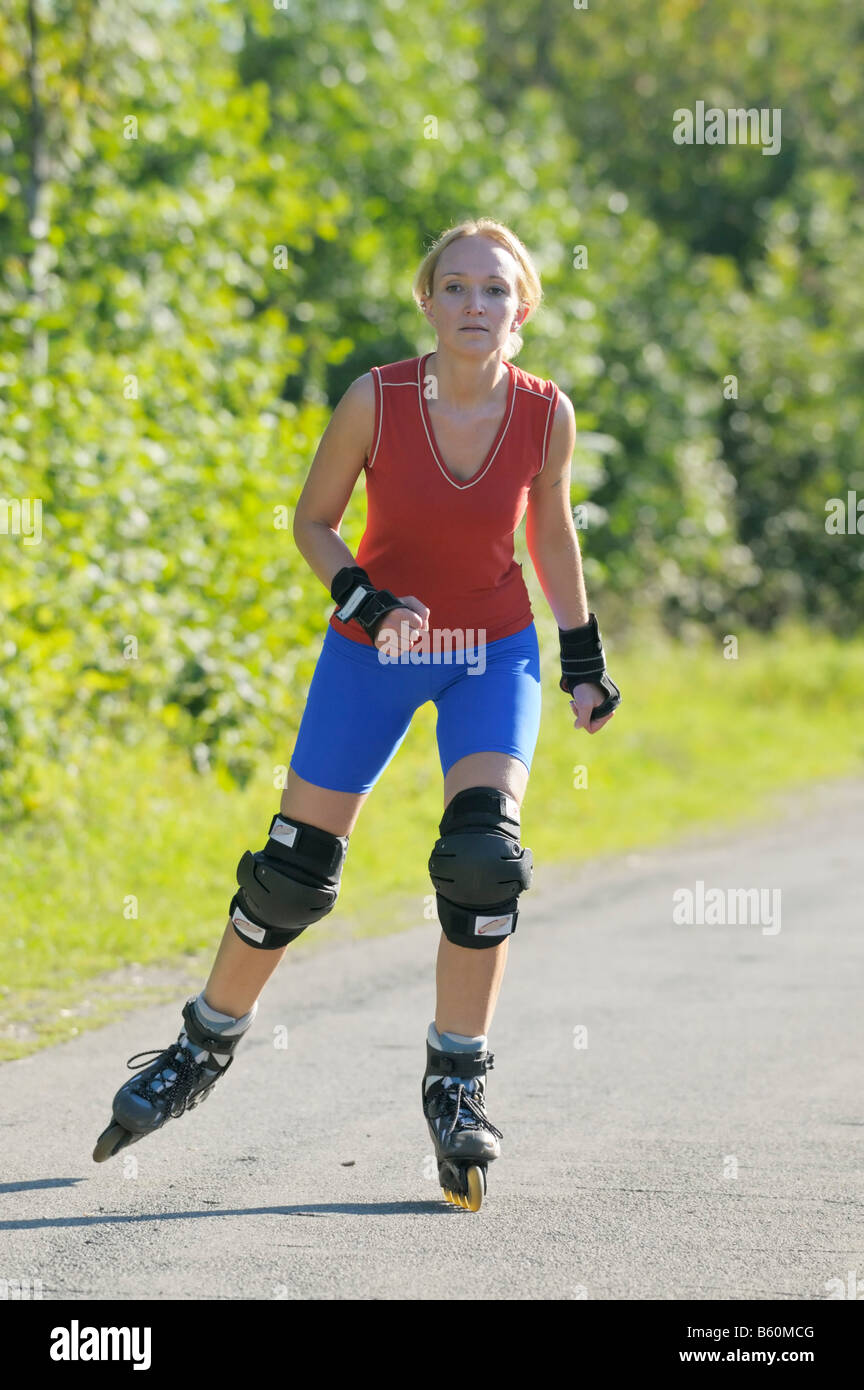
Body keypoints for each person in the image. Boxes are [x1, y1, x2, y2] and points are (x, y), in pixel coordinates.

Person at [93, 217, 621, 1211]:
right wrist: (363, 601)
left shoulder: (546, 412)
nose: (476, 306)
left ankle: (457, 1081)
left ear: (523, 308)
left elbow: (549, 527)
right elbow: (314, 521)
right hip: (374, 650)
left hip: (489, 651)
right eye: (456, 287)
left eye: (495, 290)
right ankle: (202, 1045)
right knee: (293, 869)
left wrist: (581, 655)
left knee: (484, 859)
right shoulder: (376, 399)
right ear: (427, 299)